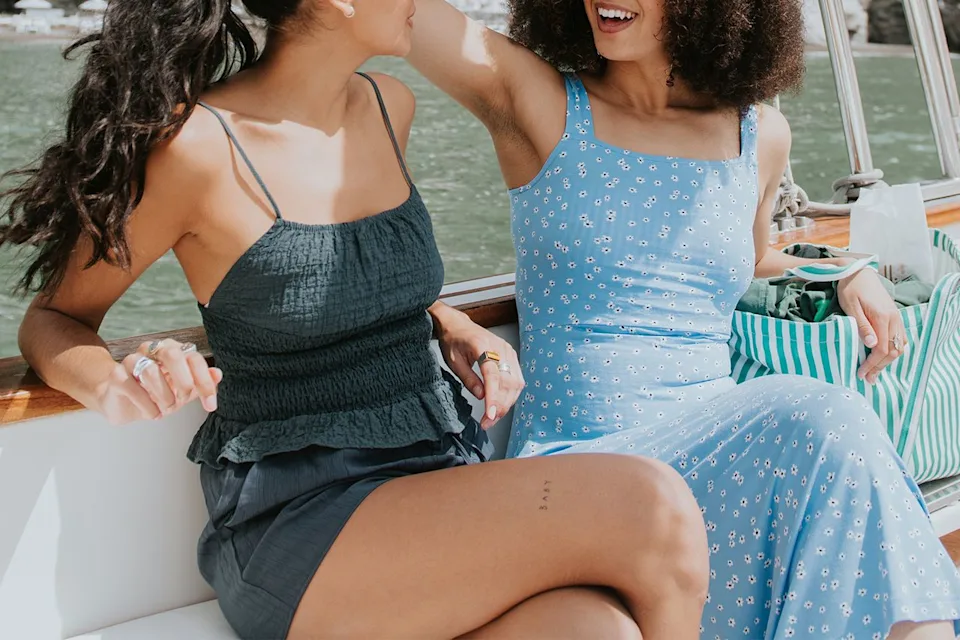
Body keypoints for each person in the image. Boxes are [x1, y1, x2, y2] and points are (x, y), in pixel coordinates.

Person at [0, 1, 711, 639]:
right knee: (649, 505)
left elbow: (351, 268)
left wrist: (447, 322)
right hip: (302, 520)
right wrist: (119, 379)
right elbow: (56, 316)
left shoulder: (387, 104)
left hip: (434, 473)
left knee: (594, 630)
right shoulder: (197, 148)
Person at [408, 0, 960, 638]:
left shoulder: (757, 135)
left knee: (831, 463)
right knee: (826, 417)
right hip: (580, 469)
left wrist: (844, 269)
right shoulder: (542, 103)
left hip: (713, 456)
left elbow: (748, 257)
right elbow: (399, 15)